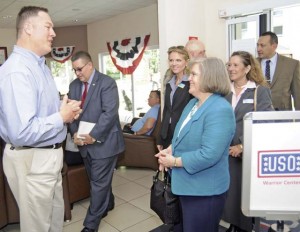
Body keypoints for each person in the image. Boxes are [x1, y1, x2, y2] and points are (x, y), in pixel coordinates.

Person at [0, 6, 81, 232]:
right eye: (48, 26)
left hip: (48, 156)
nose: (53, 33)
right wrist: (60, 117)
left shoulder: (41, 66)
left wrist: (63, 110)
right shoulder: (17, 71)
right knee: (38, 227)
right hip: (32, 158)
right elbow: (21, 131)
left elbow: (40, 112)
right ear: (28, 28)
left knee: (54, 221)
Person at [155, 57, 236, 232]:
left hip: (204, 191)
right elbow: (179, 136)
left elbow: (210, 154)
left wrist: (174, 161)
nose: (189, 78)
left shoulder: (220, 109)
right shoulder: (193, 103)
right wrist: (170, 149)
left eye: (193, 74)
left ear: (209, 78)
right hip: (186, 186)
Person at [68, 51, 125, 232]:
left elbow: (109, 113)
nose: (77, 73)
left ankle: (91, 224)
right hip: (84, 142)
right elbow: (71, 113)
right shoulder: (74, 85)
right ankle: (108, 202)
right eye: (74, 70)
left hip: (104, 142)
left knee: (98, 184)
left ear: (90, 65)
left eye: (79, 69)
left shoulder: (107, 83)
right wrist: (74, 133)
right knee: (96, 179)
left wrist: (94, 134)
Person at [222, 51, 274, 232]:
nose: (231, 68)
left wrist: (243, 145)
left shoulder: (259, 91)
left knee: (245, 193)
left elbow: (266, 122)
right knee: (230, 193)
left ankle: (245, 227)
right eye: (229, 65)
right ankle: (234, 225)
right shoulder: (224, 90)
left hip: (247, 152)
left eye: (236, 65)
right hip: (224, 151)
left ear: (247, 68)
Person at [157, 46, 193, 151]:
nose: (174, 63)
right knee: (166, 165)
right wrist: (160, 137)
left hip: (183, 133)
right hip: (167, 133)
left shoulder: (191, 83)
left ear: (186, 62)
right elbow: (167, 110)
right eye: (171, 60)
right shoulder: (169, 83)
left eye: (178, 60)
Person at [257, 31, 300, 111]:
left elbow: (298, 95)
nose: (258, 49)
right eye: (258, 45)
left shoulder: (291, 65)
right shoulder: (251, 65)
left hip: (283, 116)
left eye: (262, 45)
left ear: (274, 46)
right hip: (258, 115)